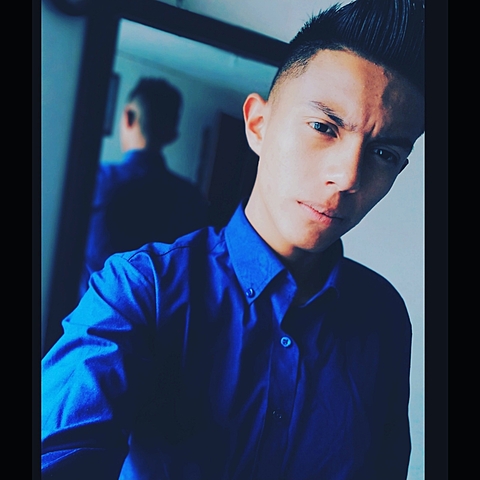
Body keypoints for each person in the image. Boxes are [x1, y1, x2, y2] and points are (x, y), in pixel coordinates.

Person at [41, 0, 425, 478]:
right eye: (324, 127)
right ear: (258, 125)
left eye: (384, 153)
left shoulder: (384, 316)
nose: (348, 177)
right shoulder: (139, 291)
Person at [78, 77, 209, 298]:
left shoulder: (95, 180)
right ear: (172, 135)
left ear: (128, 117)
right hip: (157, 318)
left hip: (86, 311)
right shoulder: (192, 199)